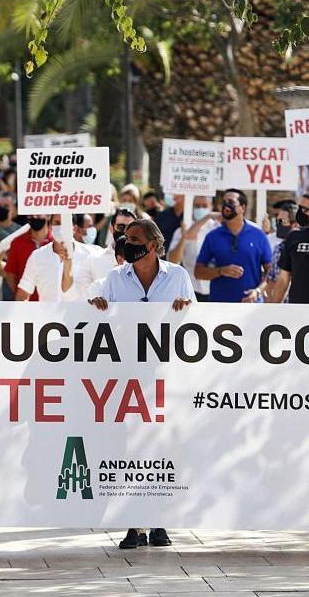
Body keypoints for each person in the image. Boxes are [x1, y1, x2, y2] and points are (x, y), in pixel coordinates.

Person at [88, 218, 193, 551]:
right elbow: (90, 314)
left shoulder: (177, 276)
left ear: (152, 245)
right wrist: (97, 307)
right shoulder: (114, 280)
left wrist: (184, 310)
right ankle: (133, 525)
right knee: (127, 449)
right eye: (124, 237)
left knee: (160, 448)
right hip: (125, 377)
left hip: (165, 376)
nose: (125, 242)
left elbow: (197, 324)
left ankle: (160, 521)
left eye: (133, 238)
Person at [193, 189, 272, 303]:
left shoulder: (258, 235)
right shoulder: (212, 236)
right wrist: (221, 271)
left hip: (251, 306)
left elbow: (270, 272)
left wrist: (257, 291)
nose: (226, 205)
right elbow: (198, 272)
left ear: (242, 208)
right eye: (224, 201)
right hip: (220, 307)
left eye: (230, 201)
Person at [166, 196, 219, 302]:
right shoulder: (181, 231)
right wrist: (183, 238)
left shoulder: (218, 229)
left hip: (216, 288)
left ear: (211, 207)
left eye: (204, 206)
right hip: (190, 289)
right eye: (197, 206)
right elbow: (172, 260)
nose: (201, 209)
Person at [4, 214, 53, 300]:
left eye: (38, 214)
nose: (34, 217)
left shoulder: (56, 243)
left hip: (51, 303)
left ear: (48, 216)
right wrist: (21, 294)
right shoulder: (17, 243)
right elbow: (10, 274)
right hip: (27, 304)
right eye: (31, 215)